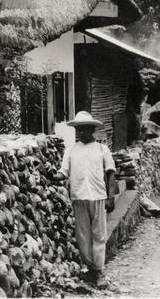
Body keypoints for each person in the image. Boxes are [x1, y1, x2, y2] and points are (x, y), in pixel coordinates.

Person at [61, 111, 117, 286]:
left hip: (98, 196)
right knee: (83, 236)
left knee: (99, 235)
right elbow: (63, 171)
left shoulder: (102, 149)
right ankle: (91, 269)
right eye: (78, 129)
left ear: (92, 129)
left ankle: (99, 271)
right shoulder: (70, 150)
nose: (81, 132)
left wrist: (111, 197)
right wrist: (54, 175)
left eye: (84, 128)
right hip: (79, 197)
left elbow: (111, 173)